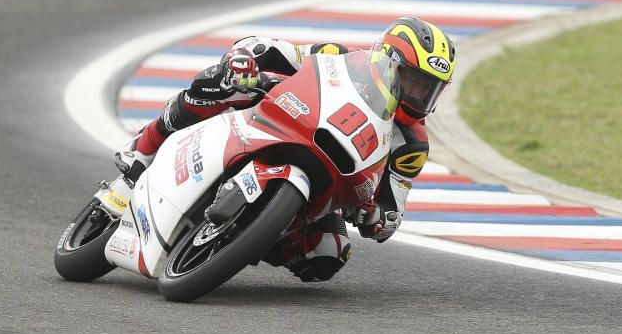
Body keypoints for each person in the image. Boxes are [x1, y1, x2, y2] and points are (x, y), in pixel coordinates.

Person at [114, 16, 456, 283]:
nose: (418, 95)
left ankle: (247, 237)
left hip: (327, 187)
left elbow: (393, 206)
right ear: (387, 60)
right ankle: (144, 148)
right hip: (279, 119)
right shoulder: (341, 58)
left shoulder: (412, 145)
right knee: (223, 83)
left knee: (329, 255)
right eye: (413, 80)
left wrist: (378, 218)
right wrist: (243, 58)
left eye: (429, 89)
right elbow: (276, 50)